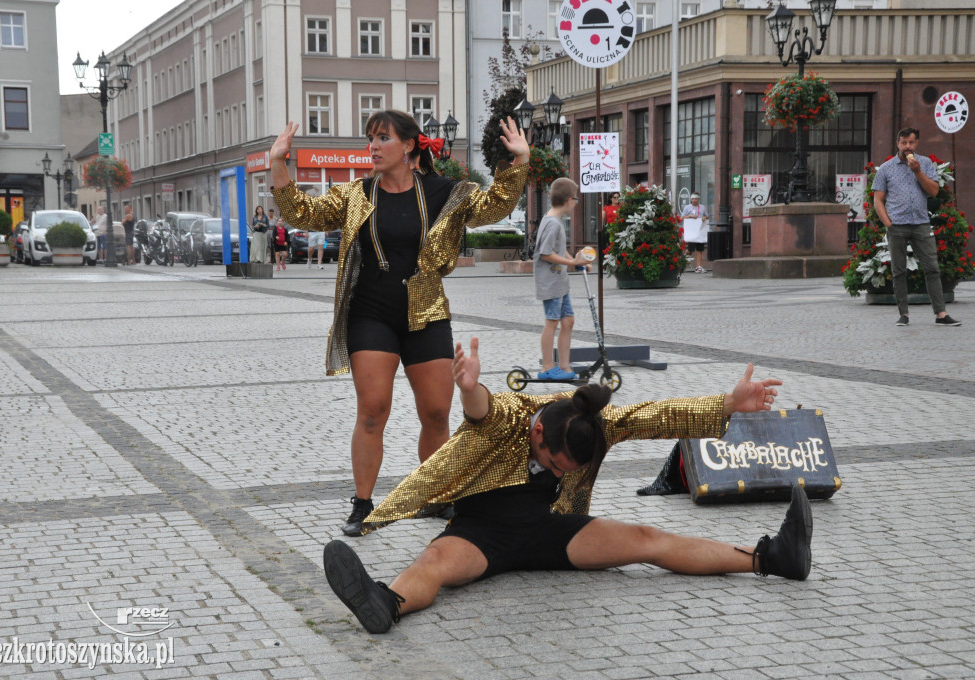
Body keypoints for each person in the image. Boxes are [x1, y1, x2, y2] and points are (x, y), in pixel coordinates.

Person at [322, 337, 811, 635]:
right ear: (537, 433)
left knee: (647, 540)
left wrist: (727, 403)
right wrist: (469, 385)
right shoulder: (513, 416)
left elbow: (655, 416)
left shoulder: (592, 424)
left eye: (567, 469)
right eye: (555, 465)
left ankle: (771, 558)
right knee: (432, 563)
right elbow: (480, 408)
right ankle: (385, 604)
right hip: (480, 534)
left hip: (554, 530)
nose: (560, 473)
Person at [269, 110, 529, 536]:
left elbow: (493, 207)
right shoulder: (357, 194)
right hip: (371, 313)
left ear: (409, 146)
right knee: (373, 411)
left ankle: (436, 494)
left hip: (427, 312)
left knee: (436, 413)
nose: (372, 147)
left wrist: (519, 161)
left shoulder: (443, 191)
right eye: (370, 138)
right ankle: (363, 504)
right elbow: (303, 214)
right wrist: (279, 162)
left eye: (382, 138)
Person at [872, 127, 961, 327]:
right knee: (899, 271)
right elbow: (878, 200)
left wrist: (918, 171)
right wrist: (888, 223)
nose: (907, 146)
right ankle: (903, 314)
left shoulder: (926, 164)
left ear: (916, 143)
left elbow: (934, 191)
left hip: (920, 223)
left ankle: (941, 314)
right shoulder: (886, 168)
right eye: (904, 143)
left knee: (932, 269)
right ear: (898, 144)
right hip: (897, 225)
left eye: (911, 142)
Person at [535, 178, 588, 381]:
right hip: (550, 282)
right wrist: (571, 263)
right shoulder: (552, 224)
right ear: (568, 200)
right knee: (552, 322)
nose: (576, 203)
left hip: (559, 282)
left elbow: (558, 249)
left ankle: (564, 367)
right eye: (575, 199)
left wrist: (575, 259)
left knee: (568, 321)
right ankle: (547, 367)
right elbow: (546, 253)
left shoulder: (554, 221)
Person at [681, 192, 709, 273]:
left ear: (698, 199)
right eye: (692, 199)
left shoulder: (702, 207)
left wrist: (704, 217)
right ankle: (682, 258)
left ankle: (698, 267)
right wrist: (690, 216)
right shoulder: (687, 207)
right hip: (692, 231)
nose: (694, 200)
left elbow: (707, 216)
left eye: (696, 199)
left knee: (700, 249)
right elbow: (682, 217)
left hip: (700, 230)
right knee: (690, 249)